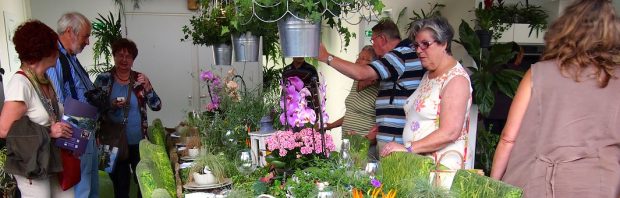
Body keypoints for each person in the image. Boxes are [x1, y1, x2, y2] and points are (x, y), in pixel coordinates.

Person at [490, 0, 620, 197]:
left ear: (566, 29)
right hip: (600, 185)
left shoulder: (538, 73)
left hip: (538, 183)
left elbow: (508, 138)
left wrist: (493, 185)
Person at [318, 18, 424, 156]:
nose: (373, 46)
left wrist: (326, 57)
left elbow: (362, 73)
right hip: (392, 140)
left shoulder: (399, 55)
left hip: (397, 143)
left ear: (382, 39)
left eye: (373, 41)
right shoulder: (403, 55)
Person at [379, 17, 472, 170]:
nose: (418, 50)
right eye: (416, 45)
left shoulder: (456, 80)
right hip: (422, 167)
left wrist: (408, 148)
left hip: (441, 171)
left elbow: (450, 132)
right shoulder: (428, 75)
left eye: (425, 44)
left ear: (444, 44)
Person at [0, 20, 74, 198]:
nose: (58, 51)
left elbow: (51, 114)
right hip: (32, 163)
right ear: (44, 51)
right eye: (55, 46)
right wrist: (49, 132)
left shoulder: (44, 78)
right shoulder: (21, 83)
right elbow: (4, 130)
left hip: (52, 158)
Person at [94, 38, 162, 198]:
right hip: (111, 140)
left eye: (128, 56)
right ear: (114, 56)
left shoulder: (140, 79)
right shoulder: (103, 79)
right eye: (120, 55)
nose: (124, 60)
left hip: (137, 141)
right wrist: (111, 104)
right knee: (119, 183)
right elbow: (93, 106)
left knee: (143, 181)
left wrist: (148, 87)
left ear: (133, 59)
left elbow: (157, 105)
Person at [45, 12, 99, 198]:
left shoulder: (70, 58)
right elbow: (56, 102)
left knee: (90, 182)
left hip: (85, 128)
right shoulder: (56, 59)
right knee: (81, 187)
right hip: (73, 133)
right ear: (70, 32)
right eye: (86, 36)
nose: (88, 42)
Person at [325, 45, 379, 158]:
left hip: (365, 147)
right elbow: (352, 113)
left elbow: (381, 123)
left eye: (366, 59)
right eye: (359, 57)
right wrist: (330, 126)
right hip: (348, 143)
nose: (359, 61)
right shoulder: (356, 82)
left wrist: (363, 141)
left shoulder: (379, 89)